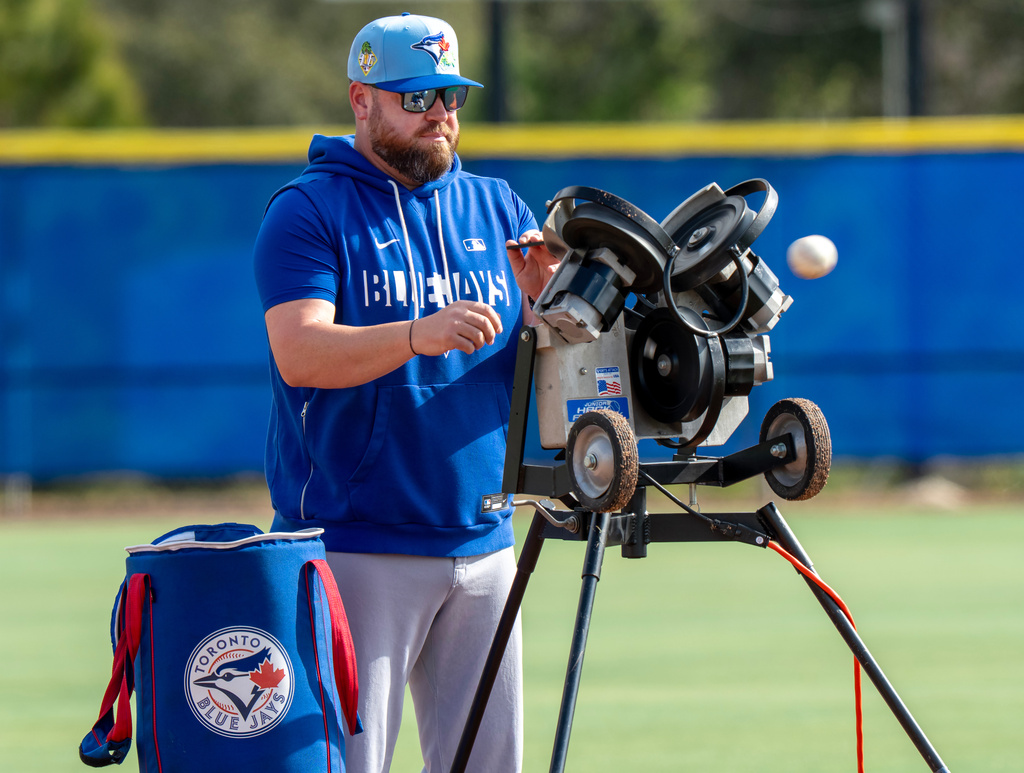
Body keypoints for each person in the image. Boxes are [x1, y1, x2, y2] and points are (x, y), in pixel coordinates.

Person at [252, 13, 558, 773]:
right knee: (351, 764)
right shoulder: (310, 208)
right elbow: (299, 352)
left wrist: (549, 312)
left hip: (484, 541)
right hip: (358, 542)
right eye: (415, 97)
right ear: (362, 101)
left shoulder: (498, 208)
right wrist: (415, 333)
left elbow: (540, 364)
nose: (440, 116)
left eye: (451, 96)